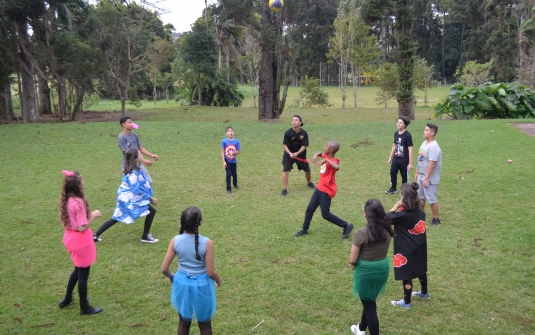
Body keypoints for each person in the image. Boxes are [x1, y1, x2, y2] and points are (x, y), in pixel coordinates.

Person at [161, 206, 223, 335]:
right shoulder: (207, 243)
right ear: (200, 222)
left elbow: (164, 268)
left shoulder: (175, 241)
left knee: (183, 323)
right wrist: (219, 279)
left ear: (182, 222)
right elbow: (210, 272)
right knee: (205, 325)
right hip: (202, 286)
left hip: (182, 284)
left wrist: (172, 277)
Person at [58, 170, 103, 315]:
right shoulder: (78, 202)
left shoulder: (66, 200)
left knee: (77, 269)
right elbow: (82, 227)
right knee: (83, 273)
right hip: (81, 241)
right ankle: (84, 307)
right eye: (82, 180)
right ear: (77, 186)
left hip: (70, 238)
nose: (84, 182)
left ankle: (67, 299)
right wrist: (94, 214)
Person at [94, 148, 159, 243]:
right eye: (140, 154)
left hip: (125, 198)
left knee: (116, 217)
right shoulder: (133, 174)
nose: (142, 156)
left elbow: (141, 186)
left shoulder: (137, 169)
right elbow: (136, 190)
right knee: (151, 211)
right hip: (128, 199)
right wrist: (149, 198)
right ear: (135, 158)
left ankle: (95, 236)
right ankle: (145, 236)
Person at [349, 199, 394, 335]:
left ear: (365, 214)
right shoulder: (387, 229)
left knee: (369, 306)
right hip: (382, 268)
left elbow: (352, 259)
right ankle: (361, 328)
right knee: (369, 300)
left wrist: (352, 264)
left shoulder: (361, 233)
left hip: (366, 271)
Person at [294, 141, 354, 238]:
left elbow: (337, 167)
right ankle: (304, 230)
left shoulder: (334, 161)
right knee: (310, 209)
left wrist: (326, 159)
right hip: (319, 188)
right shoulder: (326, 156)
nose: (324, 147)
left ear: (331, 150)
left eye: (326, 146)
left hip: (326, 191)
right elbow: (320, 153)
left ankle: (346, 225)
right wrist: (316, 155)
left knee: (325, 214)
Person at [388, 182, 429, 309]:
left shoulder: (402, 216)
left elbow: (387, 218)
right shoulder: (420, 213)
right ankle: (424, 292)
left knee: (406, 273)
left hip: (405, 248)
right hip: (420, 246)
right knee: (420, 269)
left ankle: (407, 302)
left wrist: (396, 205)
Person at [117, 116, 158, 185]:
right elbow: (128, 153)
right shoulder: (121, 137)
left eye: (132, 122)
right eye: (129, 122)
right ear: (123, 124)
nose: (132, 124)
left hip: (138, 164)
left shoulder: (134, 135)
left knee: (148, 182)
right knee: (133, 185)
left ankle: (144, 195)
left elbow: (141, 148)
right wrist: (143, 160)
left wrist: (151, 155)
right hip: (128, 165)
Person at [415, 123, 442, 225]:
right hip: (421, 175)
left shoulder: (434, 147)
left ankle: (436, 218)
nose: (424, 131)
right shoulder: (424, 143)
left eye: (426, 130)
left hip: (430, 178)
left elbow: (432, 163)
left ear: (432, 133)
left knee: (431, 197)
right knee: (420, 197)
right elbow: (420, 158)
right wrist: (417, 171)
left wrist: (426, 178)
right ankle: (421, 215)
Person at [281, 115, 314, 196]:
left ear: (300, 123)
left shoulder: (304, 133)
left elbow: (304, 146)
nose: (294, 121)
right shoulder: (288, 132)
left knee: (307, 170)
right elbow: (285, 145)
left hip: (300, 155)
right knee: (285, 170)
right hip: (289, 154)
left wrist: (297, 153)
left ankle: (309, 183)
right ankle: (284, 189)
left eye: (296, 120)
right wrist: (290, 153)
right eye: (293, 120)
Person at [386, 116, 413, 194]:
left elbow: (410, 148)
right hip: (396, 158)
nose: (398, 124)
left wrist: (410, 163)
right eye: (398, 122)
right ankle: (393, 188)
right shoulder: (396, 134)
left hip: (404, 160)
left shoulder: (408, 135)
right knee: (392, 172)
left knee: (404, 175)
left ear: (405, 125)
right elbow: (394, 145)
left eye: (401, 123)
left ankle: (404, 190)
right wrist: (390, 158)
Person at [221, 126, 241, 194]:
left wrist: (233, 152)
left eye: (232, 131)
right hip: (227, 160)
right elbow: (222, 151)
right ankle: (228, 188)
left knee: (234, 174)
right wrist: (224, 161)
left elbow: (238, 151)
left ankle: (235, 185)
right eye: (229, 131)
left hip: (233, 161)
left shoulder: (236, 141)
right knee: (228, 174)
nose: (230, 132)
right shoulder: (224, 141)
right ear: (226, 134)